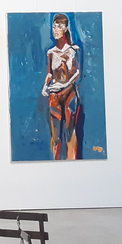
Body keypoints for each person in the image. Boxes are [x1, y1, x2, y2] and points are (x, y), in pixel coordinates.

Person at [42, 13, 81, 161]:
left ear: (65, 28)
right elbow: (50, 74)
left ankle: (72, 162)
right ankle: (55, 164)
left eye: (59, 26)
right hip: (55, 95)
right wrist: (45, 86)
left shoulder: (73, 50)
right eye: (54, 27)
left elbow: (77, 73)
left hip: (69, 93)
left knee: (70, 132)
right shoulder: (51, 52)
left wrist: (66, 84)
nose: (56, 30)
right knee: (55, 136)